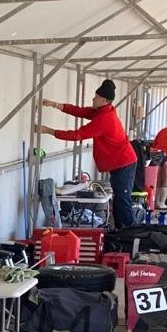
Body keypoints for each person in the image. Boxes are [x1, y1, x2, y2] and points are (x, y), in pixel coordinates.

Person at [39, 78, 138, 226]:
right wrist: (55, 105)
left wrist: (48, 131)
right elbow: (80, 111)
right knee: (118, 201)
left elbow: (77, 135)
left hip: (124, 163)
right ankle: (121, 234)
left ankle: (133, 235)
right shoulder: (104, 111)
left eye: (96, 96)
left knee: (122, 202)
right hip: (119, 163)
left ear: (104, 100)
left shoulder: (105, 119)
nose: (93, 98)